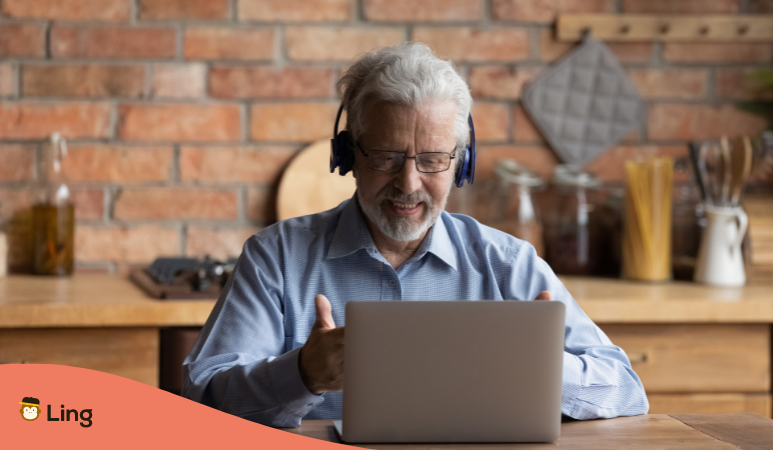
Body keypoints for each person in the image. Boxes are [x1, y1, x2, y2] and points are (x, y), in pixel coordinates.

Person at [182, 43, 649, 427]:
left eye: (431, 160)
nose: (408, 184)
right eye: (386, 156)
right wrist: (303, 374)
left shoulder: (507, 263)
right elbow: (202, 399)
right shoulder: (276, 257)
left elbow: (626, 387)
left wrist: (544, 371)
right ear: (348, 156)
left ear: (460, 164)